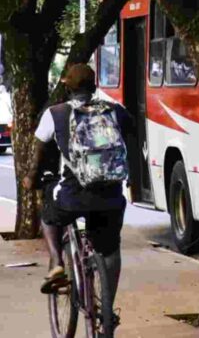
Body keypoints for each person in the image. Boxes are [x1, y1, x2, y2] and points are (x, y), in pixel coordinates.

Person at [22, 64, 133, 327]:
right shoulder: (115, 111)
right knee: (110, 249)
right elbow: (130, 135)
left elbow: (39, 151)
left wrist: (31, 178)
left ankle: (57, 263)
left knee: (49, 215)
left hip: (72, 195)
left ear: (67, 88)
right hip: (110, 196)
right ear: (94, 87)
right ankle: (107, 310)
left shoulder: (55, 113)